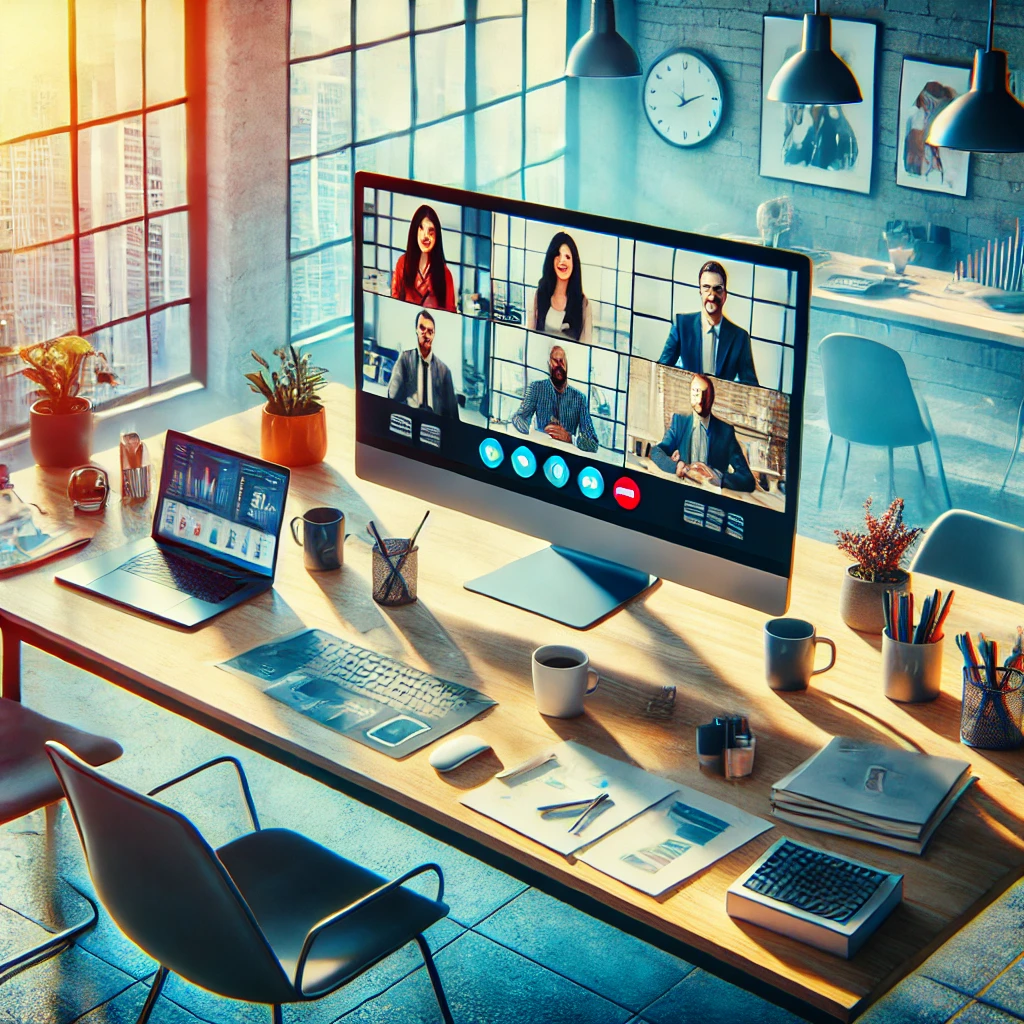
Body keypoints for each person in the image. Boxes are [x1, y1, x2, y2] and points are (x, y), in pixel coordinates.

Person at [658, 261, 758, 385]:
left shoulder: (740, 338)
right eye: (706, 288)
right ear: (700, 292)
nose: (711, 296)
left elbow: (752, 388)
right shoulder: (682, 325)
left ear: (725, 295)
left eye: (718, 289)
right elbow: (661, 370)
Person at [650, 373, 755, 492]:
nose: (699, 399)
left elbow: (748, 480)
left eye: (704, 393)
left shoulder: (726, 432)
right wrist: (676, 466)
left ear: (712, 397)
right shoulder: (680, 422)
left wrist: (719, 478)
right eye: (695, 391)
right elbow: (656, 452)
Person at [511, 344, 598, 453]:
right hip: (539, 450)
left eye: (562, 361)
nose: (559, 365)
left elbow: (593, 443)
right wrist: (531, 434)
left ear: (567, 364)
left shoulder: (580, 398)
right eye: (555, 361)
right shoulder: (537, 388)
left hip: (566, 456)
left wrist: (570, 438)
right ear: (549, 364)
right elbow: (518, 417)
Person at [387, 310, 460, 419]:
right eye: (422, 328)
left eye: (430, 331)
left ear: (434, 335)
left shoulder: (444, 370)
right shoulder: (405, 359)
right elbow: (392, 395)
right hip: (410, 416)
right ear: (416, 329)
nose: (426, 334)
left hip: (434, 421)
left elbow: (452, 412)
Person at [391, 204, 457, 312]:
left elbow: (450, 313)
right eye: (421, 228)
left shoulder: (445, 274)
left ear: (437, 236)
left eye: (431, 230)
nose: (425, 236)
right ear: (414, 231)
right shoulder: (403, 263)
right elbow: (394, 300)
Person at [531, 232, 593, 344]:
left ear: (574, 263)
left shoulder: (583, 304)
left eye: (567, 257)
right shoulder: (539, 295)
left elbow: (586, 347)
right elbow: (529, 337)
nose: (562, 261)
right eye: (558, 255)